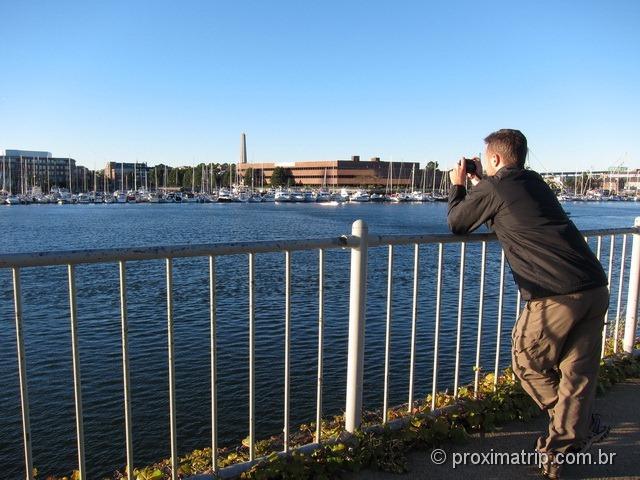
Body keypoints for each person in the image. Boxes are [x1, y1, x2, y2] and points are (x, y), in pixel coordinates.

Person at [447, 129, 610, 479]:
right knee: (576, 377)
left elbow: (458, 223)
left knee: (527, 363)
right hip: (594, 286)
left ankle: (577, 426)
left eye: (484, 157)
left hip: (556, 294)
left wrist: (459, 183)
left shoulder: (495, 187)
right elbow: (505, 201)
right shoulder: (532, 181)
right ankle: (561, 452)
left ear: (494, 158)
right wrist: (481, 179)